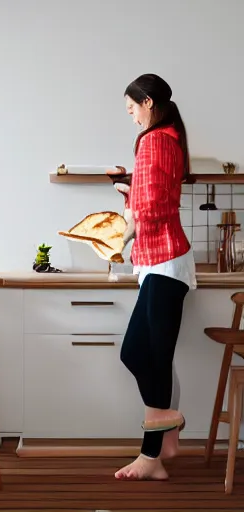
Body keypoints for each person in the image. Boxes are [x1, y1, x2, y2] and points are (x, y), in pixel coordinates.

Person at [107, 73, 196, 481]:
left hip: (164, 261)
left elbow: (157, 205)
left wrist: (125, 226)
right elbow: (154, 195)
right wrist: (132, 192)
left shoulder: (156, 140)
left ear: (147, 102)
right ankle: (159, 451)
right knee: (150, 358)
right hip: (160, 262)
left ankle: (158, 439)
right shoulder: (168, 139)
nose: (132, 118)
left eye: (132, 109)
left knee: (142, 356)